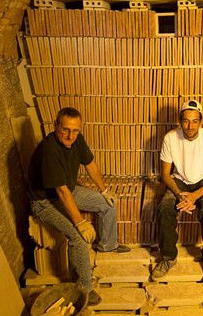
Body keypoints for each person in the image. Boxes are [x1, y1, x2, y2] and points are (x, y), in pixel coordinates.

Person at [28, 107, 130, 306]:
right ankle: (84, 287)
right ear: (56, 125)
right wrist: (81, 223)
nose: (70, 135)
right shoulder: (49, 150)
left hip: (68, 190)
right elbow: (61, 192)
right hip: (45, 201)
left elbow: (90, 164)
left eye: (75, 131)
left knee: (107, 204)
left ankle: (108, 245)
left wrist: (104, 191)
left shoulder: (76, 139)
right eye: (65, 129)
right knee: (77, 237)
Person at [151, 99, 203, 288]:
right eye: (186, 121)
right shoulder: (170, 138)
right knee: (165, 206)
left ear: (201, 121)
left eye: (195, 121)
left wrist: (194, 195)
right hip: (179, 181)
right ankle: (168, 257)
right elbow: (165, 174)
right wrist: (178, 193)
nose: (190, 126)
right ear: (179, 120)